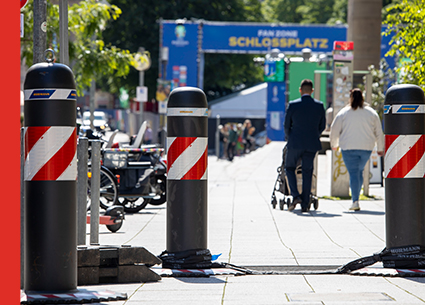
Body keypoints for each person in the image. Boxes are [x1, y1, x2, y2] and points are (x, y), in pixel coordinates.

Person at [330, 88, 384, 211]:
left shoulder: (344, 113)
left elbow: (334, 129)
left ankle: (355, 201)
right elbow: (379, 132)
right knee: (358, 172)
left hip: (348, 147)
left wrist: (334, 144)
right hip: (366, 148)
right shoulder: (371, 113)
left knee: (354, 173)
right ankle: (356, 197)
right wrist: (380, 148)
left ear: (351, 98)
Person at [284, 79, 326, 213]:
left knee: (289, 168)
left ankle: (296, 196)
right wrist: (315, 135)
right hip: (311, 144)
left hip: (295, 142)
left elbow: (286, 125)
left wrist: (291, 137)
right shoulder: (319, 106)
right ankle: (305, 203)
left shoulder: (293, 105)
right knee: (307, 171)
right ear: (312, 91)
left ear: (300, 90)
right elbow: (322, 126)